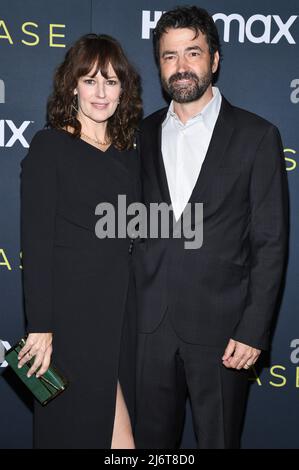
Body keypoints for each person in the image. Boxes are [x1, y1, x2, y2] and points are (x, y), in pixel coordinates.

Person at [134, 6, 289, 449]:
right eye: (169, 56)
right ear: (159, 64)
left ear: (214, 59)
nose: (181, 66)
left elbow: (270, 241)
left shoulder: (257, 135)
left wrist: (254, 328)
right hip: (147, 330)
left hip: (224, 334)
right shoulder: (138, 135)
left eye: (193, 53)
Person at [18, 33, 142, 449]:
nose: (101, 92)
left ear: (123, 88)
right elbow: (35, 244)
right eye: (90, 81)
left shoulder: (129, 154)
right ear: (72, 86)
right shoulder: (50, 147)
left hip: (120, 318)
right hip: (70, 322)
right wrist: (41, 327)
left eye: (111, 81)